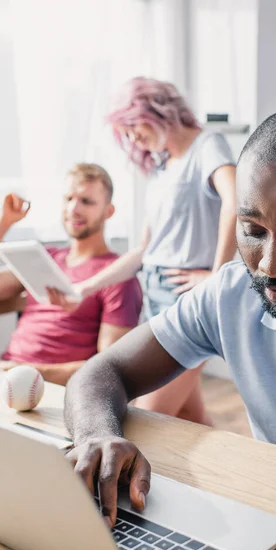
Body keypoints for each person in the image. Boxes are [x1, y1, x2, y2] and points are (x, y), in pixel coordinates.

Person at [65, 105, 276, 526]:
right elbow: (103, 371)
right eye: (253, 231)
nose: (270, 265)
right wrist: (97, 434)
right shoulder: (230, 292)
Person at [49, 77, 237, 424]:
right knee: (191, 420)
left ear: (157, 110)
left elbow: (236, 200)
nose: (133, 139)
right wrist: (83, 289)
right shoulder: (162, 166)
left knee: (144, 420)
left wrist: (217, 275)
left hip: (185, 299)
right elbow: (144, 251)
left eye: (133, 127)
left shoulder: (207, 145)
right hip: (155, 295)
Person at [0, 163, 142, 386]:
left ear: (109, 211)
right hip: (8, 373)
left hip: (49, 386)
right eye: (68, 199)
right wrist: (4, 223)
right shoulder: (46, 257)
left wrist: (31, 372)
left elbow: (109, 368)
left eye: (86, 201)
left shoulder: (117, 276)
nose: (73, 209)